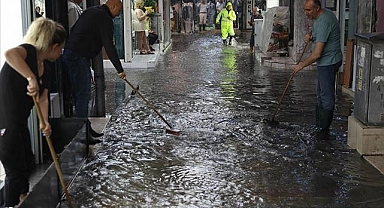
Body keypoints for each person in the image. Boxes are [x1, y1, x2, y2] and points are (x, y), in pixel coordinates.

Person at [0, 18, 66, 207]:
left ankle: (22, 199)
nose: (61, 52)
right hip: (4, 122)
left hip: (19, 122)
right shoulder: (25, 52)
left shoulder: (47, 67)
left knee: (27, 160)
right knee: (14, 169)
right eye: (60, 48)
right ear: (53, 46)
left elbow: (43, 97)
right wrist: (30, 77)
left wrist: (44, 122)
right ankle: (11, 203)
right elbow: (9, 53)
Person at [62, 0, 126, 144]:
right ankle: (82, 134)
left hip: (76, 55)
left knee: (83, 94)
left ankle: (86, 128)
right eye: (119, 10)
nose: (119, 14)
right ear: (113, 6)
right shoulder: (104, 18)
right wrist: (119, 69)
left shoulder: (94, 11)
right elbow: (109, 46)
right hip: (77, 56)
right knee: (83, 95)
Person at [292, 0, 342, 136]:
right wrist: (311, 37)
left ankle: (324, 130)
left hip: (329, 62)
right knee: (320, 94)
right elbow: (321, 36)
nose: (305, 13)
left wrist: (300, 65)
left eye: (308, 10)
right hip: (325, 62)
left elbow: (317, 54)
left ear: (317, 8)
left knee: (326, 96)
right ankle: (319, 125)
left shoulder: (325, 21)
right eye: (304, 9)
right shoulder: (318, 17)